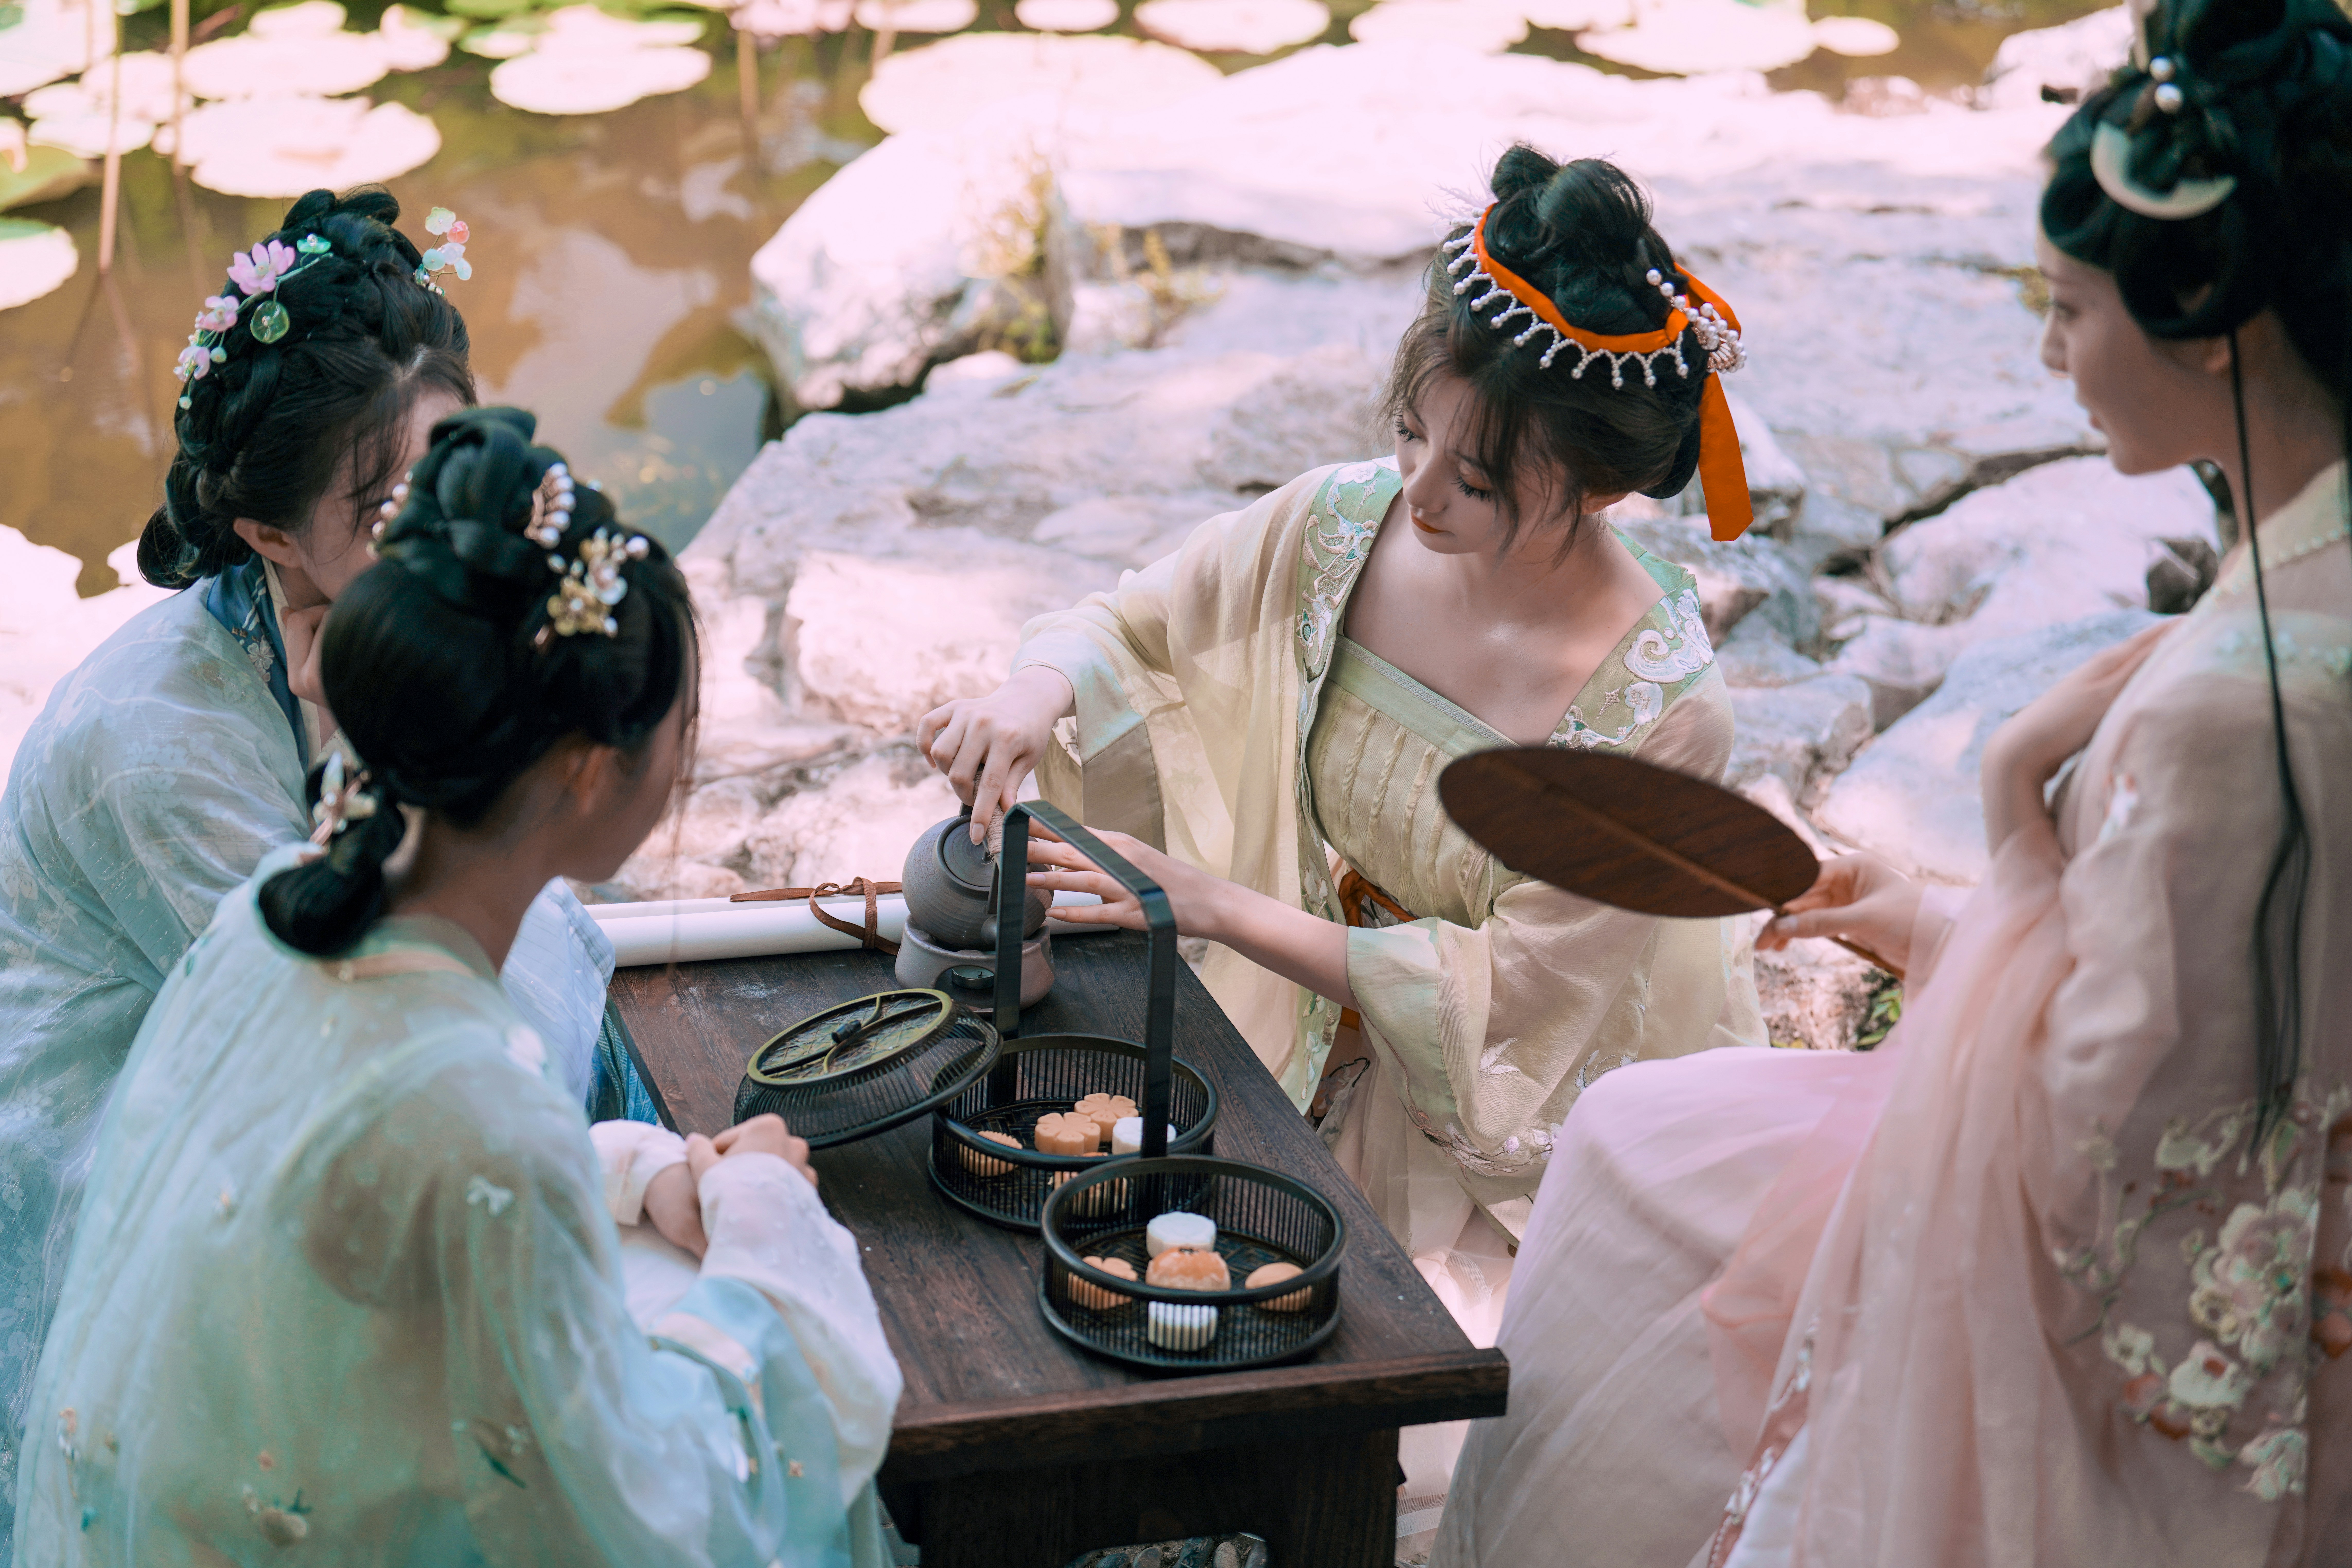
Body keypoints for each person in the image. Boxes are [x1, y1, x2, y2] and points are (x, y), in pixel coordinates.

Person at [1437, 1, 2352, 1562]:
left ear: (2206, 317)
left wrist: (2009, 811)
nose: (2050, 351)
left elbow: (2104, 1138)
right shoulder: (2306, 563)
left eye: (2069, 308)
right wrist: (1926, 919)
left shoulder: (2240, 701)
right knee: (1647, 1131)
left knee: (1631, 1169)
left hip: (2189, 1267)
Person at [922, 149, 1768, 1538]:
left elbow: (1521, 999)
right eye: (1410, 434)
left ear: (1601, 486)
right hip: (1297, 1021)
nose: (1419, 494)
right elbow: (1138, 624)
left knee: (1416, 1460)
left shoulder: (1659, 710)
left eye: (1476, 479)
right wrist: (1032, 695)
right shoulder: (1341, 528)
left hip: (1506, 1126)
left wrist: (1207, 903)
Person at [14, 407, 902, 1564]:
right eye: (673, 727)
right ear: (590, 772)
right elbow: (660, 1516)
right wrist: (771, 1226)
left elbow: (395, 1174)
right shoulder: (473, 1108)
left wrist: (631, 1173)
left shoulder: (273, 912)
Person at [0, 189, 640, 1539]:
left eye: (458, 474)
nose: (451, 541)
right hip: (137, 1183)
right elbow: (371, 1048)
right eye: (397, 512)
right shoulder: (160, 748)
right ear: (270, 539)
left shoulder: (369, 622)